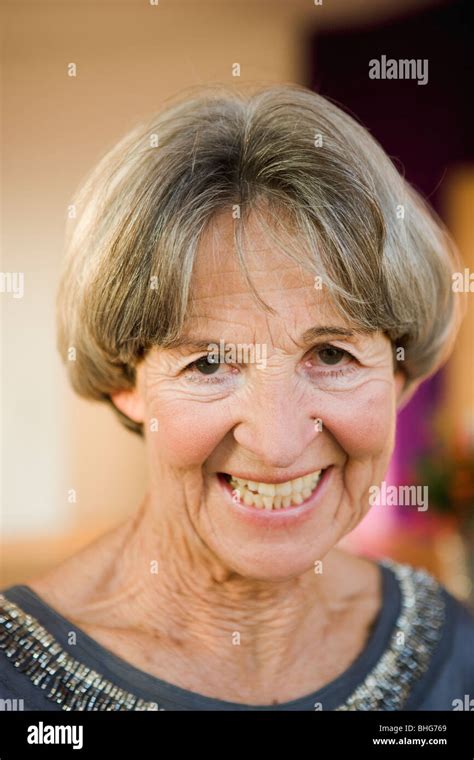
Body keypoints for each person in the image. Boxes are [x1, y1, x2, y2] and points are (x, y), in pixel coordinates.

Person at [1, 84, 473, 711]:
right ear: (125, 382)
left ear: (399, 375)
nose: (277, 445)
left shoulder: (455, 649)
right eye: (208, 363)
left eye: (331, 354)